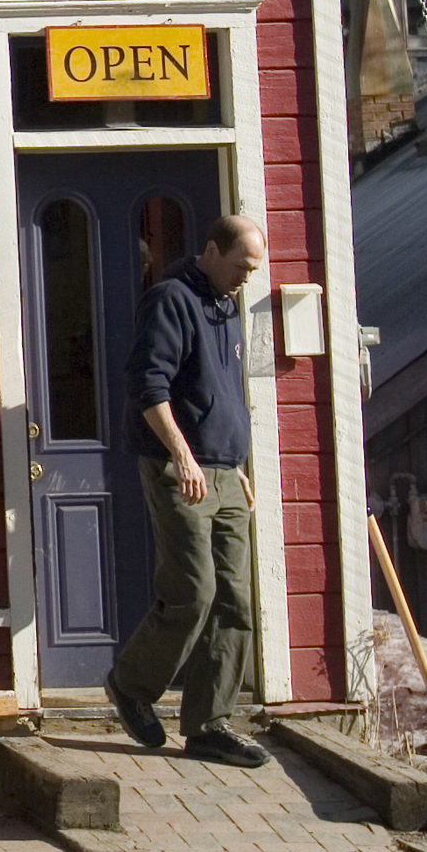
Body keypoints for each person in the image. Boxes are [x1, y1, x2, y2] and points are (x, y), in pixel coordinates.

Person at [104, 212, 272, 766]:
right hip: (180, 470)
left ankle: (209, 724)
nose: (247, 277)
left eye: (254, 269)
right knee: (193, 591)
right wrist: (182, 454)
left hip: (224, 471)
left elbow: (220, 395)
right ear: (212, 251)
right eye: (242, 265)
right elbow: (147, 385)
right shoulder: (170, 300)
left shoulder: (227, 308)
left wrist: (233, 463)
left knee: (235, 600)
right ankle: (130, 685)